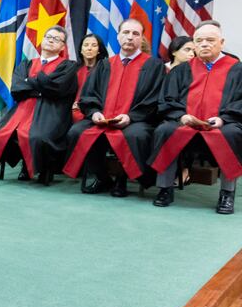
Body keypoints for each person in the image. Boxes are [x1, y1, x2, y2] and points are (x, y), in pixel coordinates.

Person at [63, 19, 164, 196]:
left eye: (135, 34)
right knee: (76, 132)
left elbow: (154, 99)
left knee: (136, 135)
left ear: (141, 39)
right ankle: (103, 177)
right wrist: (94, 113)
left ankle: (122, 179)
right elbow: (89, 94)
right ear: (118, 37)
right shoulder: (104, 64)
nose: (130, 37)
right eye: (126, 33)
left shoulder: (154, 66)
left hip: (136, 119)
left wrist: (130, 116)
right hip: (102, 118)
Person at [149, 21, 242, 214]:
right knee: (164, 130)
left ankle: (227, 193)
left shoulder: (237, 69)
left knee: (233, 133)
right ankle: (165, 188)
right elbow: (167, 100)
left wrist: (223, 118)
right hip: (186, 123)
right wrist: (182, 116)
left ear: (222, 42)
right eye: (199, 41)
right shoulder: (181, 70)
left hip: (222, 124)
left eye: (210, 40)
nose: (204, 44)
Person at [0, 25, 78, 182]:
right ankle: (25, 165)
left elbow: (57, 88)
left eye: (57, 39)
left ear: (62, 46)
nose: (51, 40)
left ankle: (42, 169)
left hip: (50, 111)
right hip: (22, 110)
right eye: (48, 37)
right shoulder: (27, 64)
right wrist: (41, 86)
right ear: (42, 40)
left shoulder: (68, 66)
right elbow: (17, 88)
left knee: (39, 136)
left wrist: (30, 83)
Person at [73, 33, 106, 122]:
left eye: (94, 45)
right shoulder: (73, 69)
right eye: (86, 45)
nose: (89, 48)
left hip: (94, 112)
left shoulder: (105, 70)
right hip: (71, 110)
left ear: (99, 50)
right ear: (81, 49)